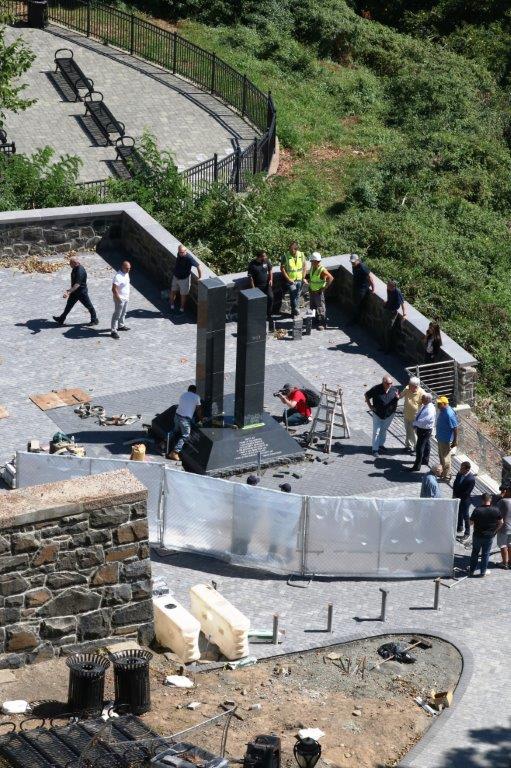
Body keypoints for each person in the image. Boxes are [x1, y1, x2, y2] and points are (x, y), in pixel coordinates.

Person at [53, 254, 98, 327]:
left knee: (89, 306)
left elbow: (77, 284)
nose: (69, 265)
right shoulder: (75, 268)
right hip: (75, 292)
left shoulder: (80, 270)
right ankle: (61, 319)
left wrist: (68, 292)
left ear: (74, 263)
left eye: (70, 263)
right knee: (69, 305)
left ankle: (94, 320)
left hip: (81, 292)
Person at [469, 493, 503, 577]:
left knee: (475, 553)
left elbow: (470, 523)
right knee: (485, 554)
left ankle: (471, 570)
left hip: (477, 535)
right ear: (490, 500)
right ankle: (482, 572)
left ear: (482, 500)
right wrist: (495, 531)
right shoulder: (496, 510)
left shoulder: (477, 510)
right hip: (489, 536)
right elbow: (501, 522)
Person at [365, 376, 399, 457]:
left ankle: (380, 445)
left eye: (391, 383)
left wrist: (397, 398)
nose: (390, 385)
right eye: (388, 383)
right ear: (383, 382)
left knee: (383, 430)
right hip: (378, 414)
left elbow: (395, 400)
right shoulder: (376, 389)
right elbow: (366, 395)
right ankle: (375, 449)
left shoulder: (394, 390)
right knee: (376, 432)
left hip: (389, 415)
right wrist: (370, 406)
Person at [167, 384, 202, 461]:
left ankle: (163, 443)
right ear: (195, 391)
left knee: (175, 430)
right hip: (184, 419)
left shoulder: (183, 395)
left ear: (188, 390)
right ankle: (175, 452)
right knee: (185, 435)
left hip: (176, 416)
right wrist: (200, 419)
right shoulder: (197, 397)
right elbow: (199, 410)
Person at [170, 244, 202, 313]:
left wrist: (200, 277)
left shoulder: (189, 258)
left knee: (183, 294)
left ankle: (181, 309)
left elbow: (198, 266)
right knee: (173, 291)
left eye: (183, 252)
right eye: (180, 252)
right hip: (176, 277)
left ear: (186, 251)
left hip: (184, 279)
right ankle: (171, 306)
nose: (181, 254)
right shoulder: (178, 254)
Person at [305, 252, 333, 330]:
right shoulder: (312, 267)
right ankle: (312, 321)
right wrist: (309, 283)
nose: (310, 262)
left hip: (318, 292)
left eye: (312, 261)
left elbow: (331, 278)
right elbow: (312, 278)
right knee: (312, 307)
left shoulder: (322, 270)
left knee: (320, 308)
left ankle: (322, 323)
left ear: (316, 261)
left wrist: (323, 289)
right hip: (312, 290)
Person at [408, 392, 436, 471]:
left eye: (422, 398)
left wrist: (415, 423)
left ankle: (417, 466)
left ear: (427, 399)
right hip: (425, 430)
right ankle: (425, 460)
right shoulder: (426, 406)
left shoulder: (429, 409)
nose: (421, 399)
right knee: (427, 444)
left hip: (424, 430)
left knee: (419, 448)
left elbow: (425, 421)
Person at [435, 396, 459, 480]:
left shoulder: (449, 414)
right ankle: (443, 473)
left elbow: (455, 427)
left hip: (445, 440)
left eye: (439, 404)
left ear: (445, 404)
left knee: (446, 458)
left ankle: (447, 475)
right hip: (440, 437)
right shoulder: (443, 410)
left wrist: (455, 441)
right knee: (441, 456)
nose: (438, 405)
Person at [280, 241, 306, 317]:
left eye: (292, 250)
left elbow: (304, 266)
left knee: (297, 295)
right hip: (290, 280)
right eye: (290, 249)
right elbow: (282, 268)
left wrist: (303, 277)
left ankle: (294, 312)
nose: (290, 251)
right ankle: (296, 310)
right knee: (293, 294)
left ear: (296, 249)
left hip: (300, 279)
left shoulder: (301, 254)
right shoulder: (285, 256)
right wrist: (288, 279)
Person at [399, 376, 424, 452]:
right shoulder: (407, 389)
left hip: (415, 418)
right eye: (409, 384)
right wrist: (397, 396)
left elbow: (424, 406)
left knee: (414, 434)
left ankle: (416, 448)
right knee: (408, 431)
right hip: (407, 415)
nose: (408, 386)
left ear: (416, 386)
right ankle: (408, 446)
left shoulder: (422, 393)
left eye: (410, 385)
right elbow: (400, 396)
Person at [348, 253, 375, 325]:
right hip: (356, 287)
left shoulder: (363, 267)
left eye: (353, 262)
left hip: (362, 289)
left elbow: (370, 278)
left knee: (358, 305)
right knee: (355, 303)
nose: (352, 263)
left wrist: (373, 289)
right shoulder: (354, 266)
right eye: (351, 262)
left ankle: (355, 321)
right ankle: (355, 320)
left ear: (358, 260)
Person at [452, 461, 476, 540]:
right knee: (458, 512)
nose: (460, 469)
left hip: (465, 500)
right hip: (457, 497)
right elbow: (455, 483)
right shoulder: (459, 473)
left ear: (467, 469)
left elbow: (467, 492)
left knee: (465, 516)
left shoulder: (471, 479)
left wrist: (458, 497)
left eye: (462, 468)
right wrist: (454, 494)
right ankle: (459, 527)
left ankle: (467, 532)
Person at [248, 250, 273, 321]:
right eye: (264, 256)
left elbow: (270, 269)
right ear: (259, 257)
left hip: (267, 285)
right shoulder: (252, 264)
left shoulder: (266, 261)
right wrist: (253, 288)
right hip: (257, 286)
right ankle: (259, 316)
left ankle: (269, 315)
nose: (266, 257)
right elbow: (250, 277)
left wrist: (271, 279)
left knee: (270, 298)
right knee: (258, 302)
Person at [383, 280, 406, 353]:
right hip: (387, 309)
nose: (387, 287)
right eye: (387, 285)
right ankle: (385, 347)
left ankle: (388, 349)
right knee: (385, 328)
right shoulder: (388, 290)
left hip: (393, 312)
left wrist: (404, 314)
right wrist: (387, 302)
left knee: (389, 329)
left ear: (394, 286)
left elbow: (402, 303)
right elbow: (390, 298)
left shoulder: (397, 292)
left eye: (389, 286)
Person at [111, 260, 131, 340]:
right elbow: (113, 289)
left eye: (129, 268)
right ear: (122, 267)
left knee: (124, 313)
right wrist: (118, 299)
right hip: (120, 299)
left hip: (126, 298)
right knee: (117, 315)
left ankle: (121, 325)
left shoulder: (126, 273)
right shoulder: (118, 277)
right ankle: (113, 331)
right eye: (127, 268)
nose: (128, 270)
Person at [497, 485, 511, 569]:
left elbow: (495, 509)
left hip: (504, 528)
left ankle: (504, 563)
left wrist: (501, 496)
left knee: (503, 545)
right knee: (510, 544)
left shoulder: (503, 501)